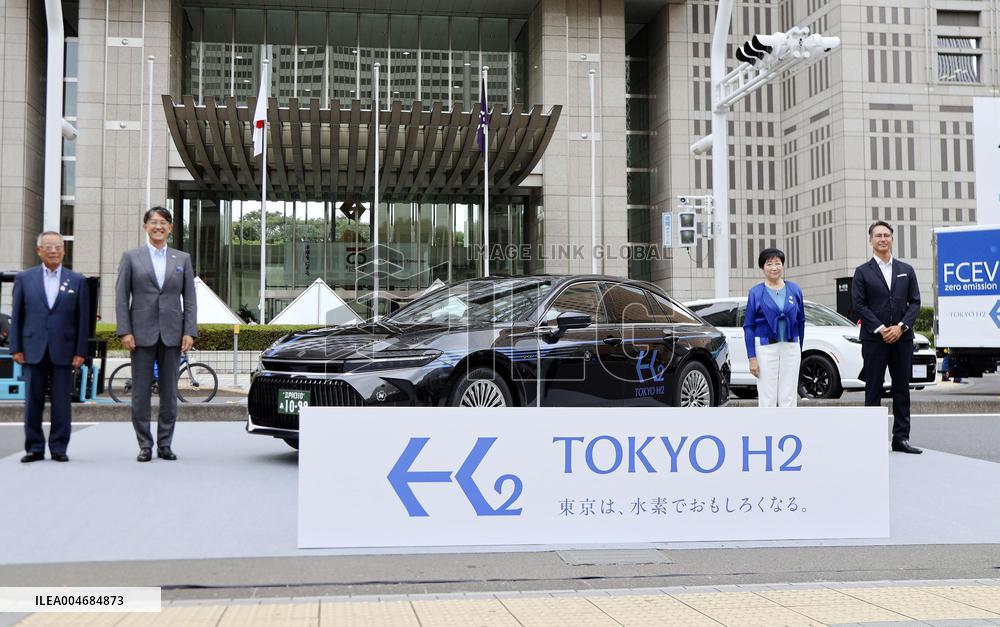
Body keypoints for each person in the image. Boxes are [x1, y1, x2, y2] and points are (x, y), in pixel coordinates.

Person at [115, 207, 197, 462]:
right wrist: (125, 330)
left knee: (169, 394)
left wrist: (189, 331)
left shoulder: (182, 259)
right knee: (140, 393)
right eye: (153, 222)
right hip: (140, 335)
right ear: (145, 227)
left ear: (170, 228)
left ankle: (165, 444)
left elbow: (190, 299)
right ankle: (144, 445)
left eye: (163, 222)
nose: (158, 226)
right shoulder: (131, 257)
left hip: (173, 334)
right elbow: (120, 297)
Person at [9, 232, 90, 463]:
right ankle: (34, 447)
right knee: (32, 401)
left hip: (64, 350)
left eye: (58, 246)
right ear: (39, 251)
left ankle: (58, 447)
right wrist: (16, 347)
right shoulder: (25, 279)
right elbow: (18, 314)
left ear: (64, 250)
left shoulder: (77, 281)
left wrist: (80, 351)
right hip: (32, 348)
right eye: (48, 247)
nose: (53, 250)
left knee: (62, 402)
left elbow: (82, 320)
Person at [851, 220, 922, 454]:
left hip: (902, 339)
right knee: (874, 388)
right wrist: (882, 328)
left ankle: (901, 439)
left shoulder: (906, 270)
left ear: (892, 239)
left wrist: (901, 327)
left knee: (902, 388)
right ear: (871, 240)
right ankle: (872, 439)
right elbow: (859, 305)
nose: (882, 239)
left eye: (886, 235)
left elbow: (915, 302)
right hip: (874, 340)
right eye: (878, 235)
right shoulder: (862, 272)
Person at [743, 248, 805, 407]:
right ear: (763, 268)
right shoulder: (756, 292)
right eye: (769, 264)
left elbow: (801, 321)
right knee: (767, 396)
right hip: (765, 347)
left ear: (782, 266)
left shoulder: (795, 290)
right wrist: (752, 358)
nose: (774, 267)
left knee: (789, 396)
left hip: (791, 346)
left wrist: (799, 347)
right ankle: (768, 430)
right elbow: (749, 326)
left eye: (778, 263)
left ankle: (788, 430)